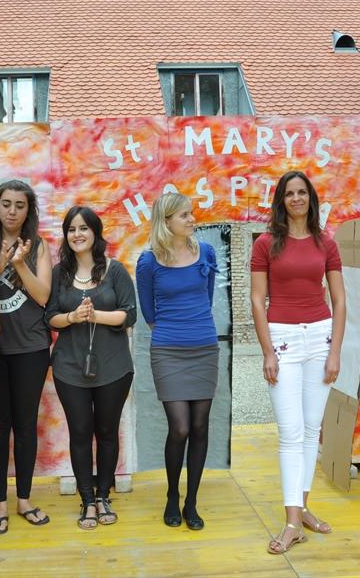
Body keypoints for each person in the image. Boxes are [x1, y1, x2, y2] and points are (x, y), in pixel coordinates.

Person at [250, 171, 346, 554]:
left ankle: (302, 508)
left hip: (320, 338)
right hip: (283, 339)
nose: (296, 199)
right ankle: (292, 522)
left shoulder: (326, 243)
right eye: (289, 193)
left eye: (302, 192)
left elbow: (340, 301)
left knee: (310, 430)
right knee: (290, 432)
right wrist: (267, 351)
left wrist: (335, 351)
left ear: (310, 198)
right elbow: (257, 300)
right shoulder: (265, 244)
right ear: (281, 200)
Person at [46, 207, 137, 529]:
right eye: (71, 229)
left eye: (83, 228)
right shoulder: (59, 273)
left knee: (107, 432)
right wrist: (73, 317)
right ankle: (86, 500)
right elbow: (50, 317)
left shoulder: (115, 270)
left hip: (114, 367)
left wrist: (95, 315)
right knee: (81, 432)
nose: (77, 234)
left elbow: (129, 314)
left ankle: (103, 497)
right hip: (69, 368)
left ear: (95, 232)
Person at [136, 192, 219, 531]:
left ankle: (191, 501)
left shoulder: (206, 253)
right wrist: (174, 331)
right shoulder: (149, 261)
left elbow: (207, 298)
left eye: (191, 213)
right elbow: (148, 312)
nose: (192, 219)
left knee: (200, 426)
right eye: (184, 215)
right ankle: (172, 494)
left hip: (204, 347)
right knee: (180, 427)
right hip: (168, 350)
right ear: (166, 221)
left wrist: (193, 328)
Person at [0, 180, 53, 534]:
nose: (12, 211)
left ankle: (24, 500)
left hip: (31, 349)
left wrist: (20, 264)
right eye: (6, 204)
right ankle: (0, 505)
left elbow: (43, 296)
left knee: (25, 426)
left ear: (28, 210)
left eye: (19, 205)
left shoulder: (39, 246)